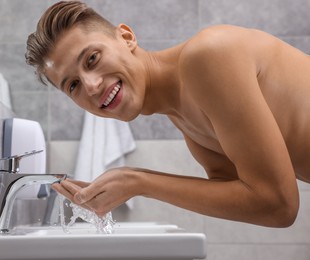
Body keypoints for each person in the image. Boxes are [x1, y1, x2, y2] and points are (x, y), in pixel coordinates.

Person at [25, 1, 310, 227]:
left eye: (92, 59)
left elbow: (278, 206)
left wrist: (137, 181)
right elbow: (239, 193)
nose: (91, 85)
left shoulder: (207, 56)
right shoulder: (181, 111)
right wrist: (122, 186)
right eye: (73, 85)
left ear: (126, 37)